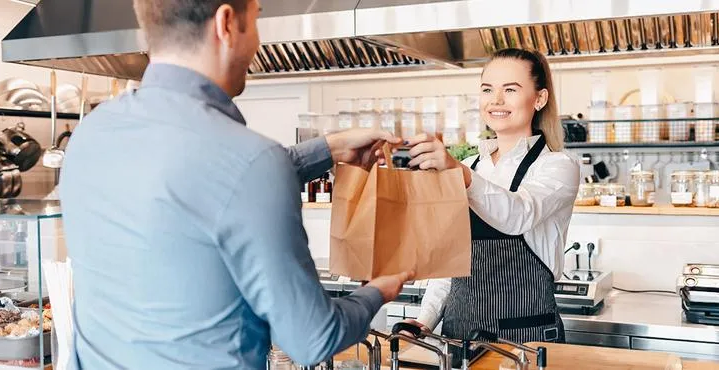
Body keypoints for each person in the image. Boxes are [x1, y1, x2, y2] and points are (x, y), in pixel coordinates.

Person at [59, 0, 413, 368]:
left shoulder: (91, 134)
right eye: (257, 21)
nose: (259, 44)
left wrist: (329, 147)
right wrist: (377, 291)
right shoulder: (250, 162)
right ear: (226, 23)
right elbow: (315, 337)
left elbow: (210, 186)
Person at [402, 48, 580, 353]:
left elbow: (517, 214)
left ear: (539, 99)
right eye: (487, 89)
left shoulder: (558, 166)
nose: (496, 100)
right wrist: (425, 320)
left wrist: (456, 173)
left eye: (510, 89)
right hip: (458, 338)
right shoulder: (470, 166)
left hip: (524, 341)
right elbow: (450, 262)